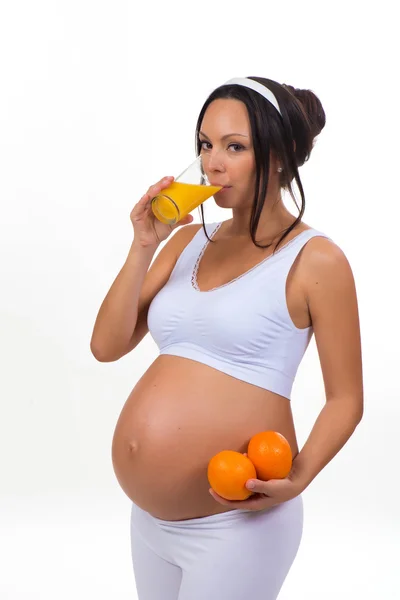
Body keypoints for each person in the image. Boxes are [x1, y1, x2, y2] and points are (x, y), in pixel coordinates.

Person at [90, 76, 364, 600]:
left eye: (234, 147)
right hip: (148, 522)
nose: (213, 163)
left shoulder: (317, 260)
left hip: (236, 525)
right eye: (205, 144)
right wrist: (142, 245)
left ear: (279, 157)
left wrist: (299, 475)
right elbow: (106, 346)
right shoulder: (188, 241)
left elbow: (346, 398)